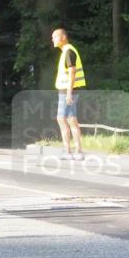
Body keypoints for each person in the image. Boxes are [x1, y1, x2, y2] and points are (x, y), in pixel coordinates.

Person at [51, 28, 85, 160]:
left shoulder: (68, 51)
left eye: (55, 36)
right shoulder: (66, 51)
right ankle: (72, 151)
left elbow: (72, 72)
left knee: (68, 120)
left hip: (68, 91)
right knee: (68, 120)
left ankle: (75, 151)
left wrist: (69, 93)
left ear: (63, 37)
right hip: (66, 91)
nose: (52, 39)